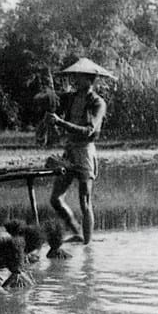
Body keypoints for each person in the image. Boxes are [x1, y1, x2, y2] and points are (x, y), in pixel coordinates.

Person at [45, 57, 114, 245]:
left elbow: (89, 131)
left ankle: (87, 245)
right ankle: (77, 231)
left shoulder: (97, 103)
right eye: (75, 76)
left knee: (84, 201)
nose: (75, 79)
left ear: (89, 79)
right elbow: (52, 101)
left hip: (84, 152)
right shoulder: (72, 98)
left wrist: (60, 122)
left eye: (79, 76)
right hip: (70, 150)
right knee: (56, 199)